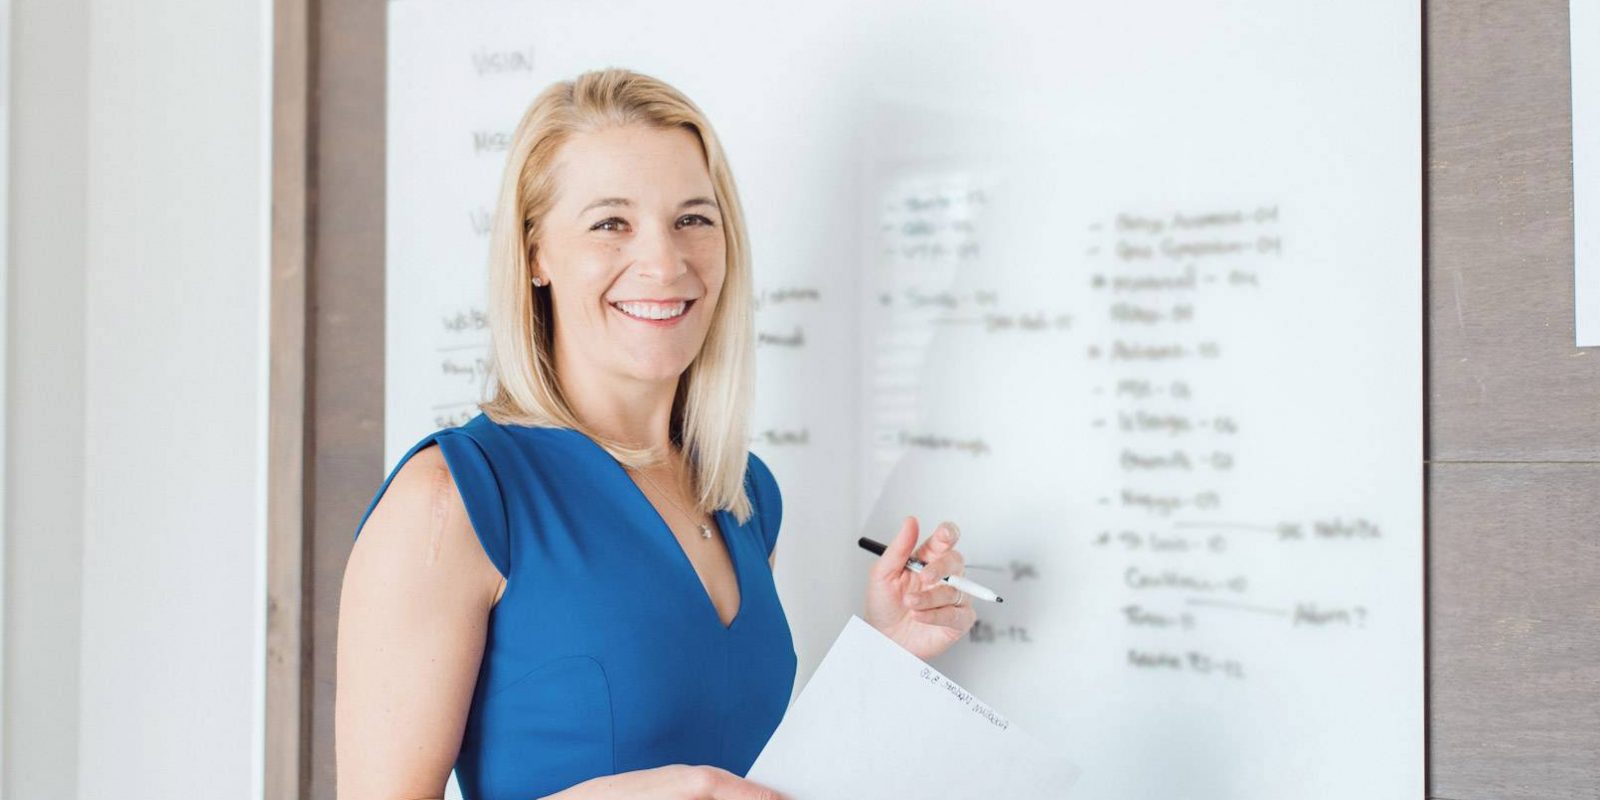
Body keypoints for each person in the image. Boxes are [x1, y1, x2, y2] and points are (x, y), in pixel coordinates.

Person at [336, 68, 977, 800]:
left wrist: (886, 657)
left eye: (692, 220)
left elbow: (750, 772)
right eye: (611, 222)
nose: (665, 263)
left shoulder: (743, 494)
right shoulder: (453, 499)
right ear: (536, 252)